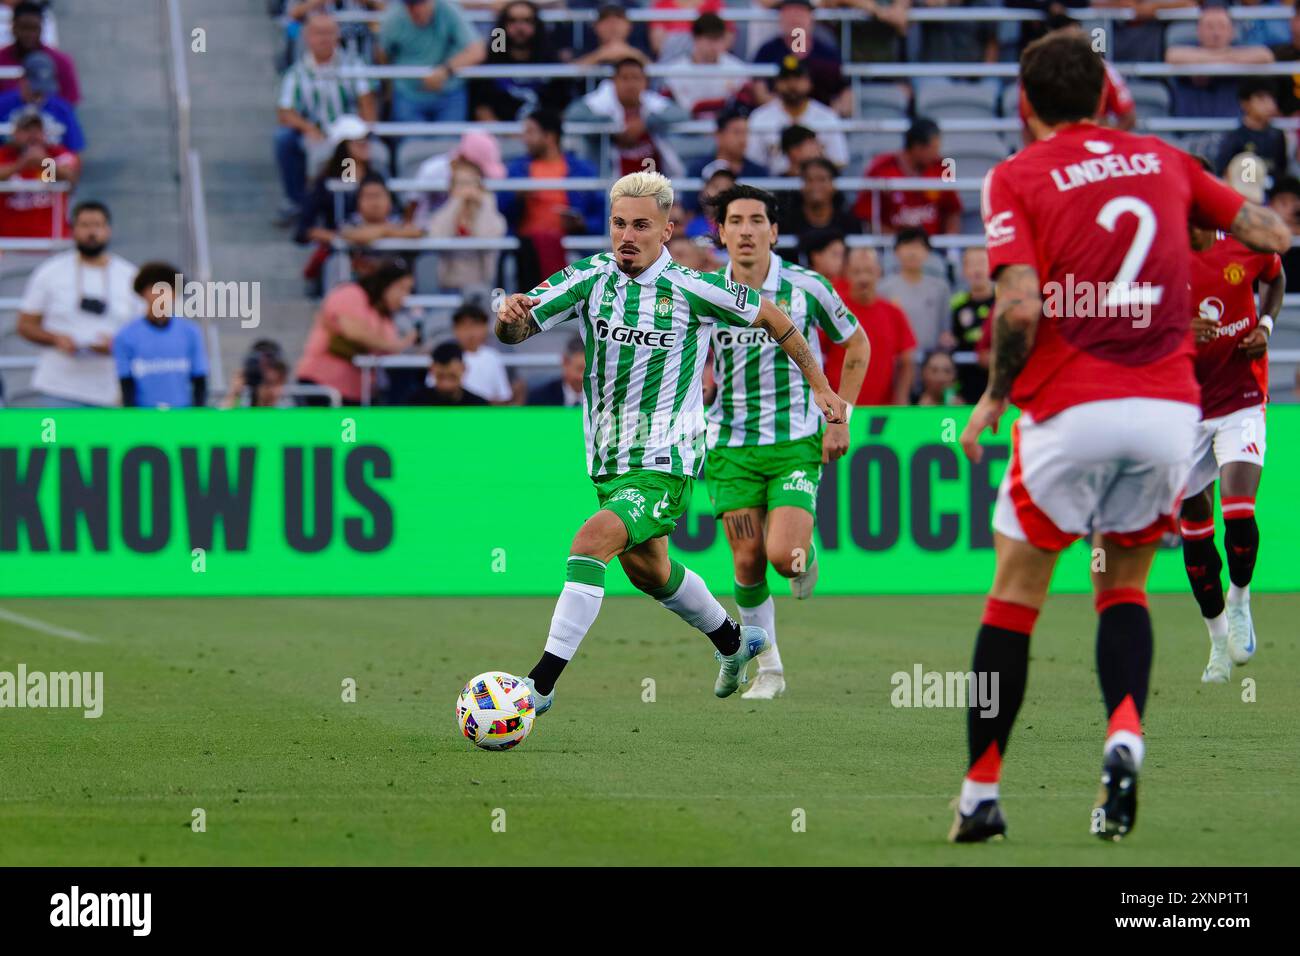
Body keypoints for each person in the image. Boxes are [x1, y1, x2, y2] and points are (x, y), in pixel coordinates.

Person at [952, 31, 1289, 844]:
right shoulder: (1164, 161)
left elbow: (1023, 306)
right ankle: (1127, 735)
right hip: (1169, 414)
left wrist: (994, 395)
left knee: (1015, 599)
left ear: (1026, 104)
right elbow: (1269, 232)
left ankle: (980, 797)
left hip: (1070, 409)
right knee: (1125, 590)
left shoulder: (1017, 174)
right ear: (1105, 97)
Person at [493, 170, 846, 715]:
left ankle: (539, 686)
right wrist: (509, 318)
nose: (626, 236)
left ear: (666, 229)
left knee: (590, 545)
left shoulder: (693, 288)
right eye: (618, 224)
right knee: (648, 570)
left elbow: (776, 319)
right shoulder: (588, 278)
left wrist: (822, 388)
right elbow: (518, 331)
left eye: (640, 225)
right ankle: (734, 642)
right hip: (608, 461)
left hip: (667, 460)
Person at [704, 183, 868, 700]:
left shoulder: (806, 287)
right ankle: (769, 670)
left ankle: (806, 555)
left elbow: (857, 343)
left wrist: (840, 417)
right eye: (736, 220)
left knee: (783, 555)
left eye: (757, 220)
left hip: (795, 441)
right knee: (746, 560)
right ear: (722, 232)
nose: (747, 230)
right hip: (730, 449)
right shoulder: (705, 291)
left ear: (774, 231)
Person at [1182, 209, 1284, 683]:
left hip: (1241, 400)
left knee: (1239, 512)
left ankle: (1240, 600)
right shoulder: (1159, 259)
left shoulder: (1244, 245)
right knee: (1195, 538)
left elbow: (1276, 277)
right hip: (1183, 411)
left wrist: (1264, 324)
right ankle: (1217, 640)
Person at [16, 201, 138, 407]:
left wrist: (117, 344)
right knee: (57, 441)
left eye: (97, 225)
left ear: (108, 230)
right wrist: (55, 339)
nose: (91, 232)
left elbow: (144, 331)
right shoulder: (50, 271)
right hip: (58, 387)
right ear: (73, 230)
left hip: (110, 389)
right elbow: (25, 325)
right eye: (84, 225)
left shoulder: (129, 276)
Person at [275, 11, 376, 220]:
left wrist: (363, 132)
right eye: (319, 33)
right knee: (286, 140)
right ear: (307, 37)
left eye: (329, 33)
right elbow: (285, 112)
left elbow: (367, 103)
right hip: (318, 134)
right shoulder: (298, 72)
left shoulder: (353, 65)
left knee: (358, 154)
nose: (324, 39)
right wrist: (308, 128)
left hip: (349, 135)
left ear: (337, 35)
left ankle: (353, 205)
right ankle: (304, 204)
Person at [498, 109, 603, 291]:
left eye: (530, 132)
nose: (525, 138)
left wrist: (581, 224)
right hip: (524, 253)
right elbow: (501, 209)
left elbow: (600, 215)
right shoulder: (517, 169)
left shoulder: (581, 169)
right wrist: (517, 196)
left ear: (549, 136)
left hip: (570, 249)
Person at [295, 258, 418, 404]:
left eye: (409, 290)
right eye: (401, 288)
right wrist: (396, 345)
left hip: (359, 393)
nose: (404, 296)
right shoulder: (351, 293)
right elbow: (353, 332)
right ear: (386, 284)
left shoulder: (385, 318)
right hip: (323, 385)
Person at [1015, 14, 1135, 145]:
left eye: (1077, 39)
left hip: (1094, 148)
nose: (1073, 47)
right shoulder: (1034, 71)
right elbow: (1028, 125)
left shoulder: (1102, 68)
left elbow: (1128, 117)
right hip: (1052, 152)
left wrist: (1104, 143)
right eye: (1068, 41)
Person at [564, 57, 689, 178]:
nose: (631, 84)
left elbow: (682, 114)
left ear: (646, 82)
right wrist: (614, 128)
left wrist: (646, 123)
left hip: (654, 189)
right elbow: (571, 115)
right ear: (614, 81)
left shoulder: (651, 102)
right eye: (625, 78)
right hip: (612, 187)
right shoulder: (601, 101)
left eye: (636, 78)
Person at [822, 247, 916, 406]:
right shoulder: (833, 310)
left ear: (879, 273)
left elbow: (907, 361)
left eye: (869, 271)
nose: (863, 278)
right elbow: (814, 354)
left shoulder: (893, 313)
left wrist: (901, 398)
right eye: (857, 272)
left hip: (883, 410)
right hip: (838, 410)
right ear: (847, 274)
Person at [113, 263, 209, 409]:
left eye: (168, 288)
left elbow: (199, 379)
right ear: (142, 292)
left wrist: (197, 417)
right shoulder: (126, 335)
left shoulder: (190, 332)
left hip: (182, 417)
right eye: (155, 288)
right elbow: (126, 384)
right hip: (144, 419)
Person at [378, 0, 486, 124]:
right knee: (411, 143)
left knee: (448, 143)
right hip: (407, 94)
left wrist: (444, 71)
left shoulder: (448, 9)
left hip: (449, 93)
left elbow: (477, 50)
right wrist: (389, 87)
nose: (416, 10)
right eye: (410, 4)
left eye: (421, 3)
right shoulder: (393, 17)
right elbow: (382, 53)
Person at [853, 117, 961, 235]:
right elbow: (867, 218)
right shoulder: (881, 168)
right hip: (889, 248)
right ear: (917, 147)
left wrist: (950, 248)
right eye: (933, 148)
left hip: (934, 249)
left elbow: (952, 211)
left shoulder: (941, 167)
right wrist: (899, 244)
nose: (937, 154)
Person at [1166, 6, 1274, 119]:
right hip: (1191, 132)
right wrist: (1226, 58)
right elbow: (1172, 56)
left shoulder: (1242, 50)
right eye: (1209, 27)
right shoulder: (1183, 51)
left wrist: (1206, 61)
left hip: (1232, 132)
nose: (1216, 33)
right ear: (1198, 31)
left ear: (1232, 32)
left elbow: (1266, 56)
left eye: (1222, 27)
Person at [746, 56, 849, 174]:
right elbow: (753, 163)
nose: (792, 84)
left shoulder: (827, 117)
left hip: (816, 186)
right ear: (776, 83)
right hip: (773, 186)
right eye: (786, 78)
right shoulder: (760, 117)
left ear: (809, 82)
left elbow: (839, 162)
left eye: (798, 78)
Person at [470, 1, 569, 121]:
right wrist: (504, 135)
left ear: (536, 25)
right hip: (500, 136)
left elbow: (561, 108)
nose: (520, 27)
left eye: (527, 20)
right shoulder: (490, 63)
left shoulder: (551, 63)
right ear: (503, 25)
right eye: (512, 21)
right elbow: (482, 109)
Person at [424, 158, 507, 292]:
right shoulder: (442, 213)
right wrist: (455, 203)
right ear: (451, 188)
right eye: (460, 184)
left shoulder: (493, 216)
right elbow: (437, 238)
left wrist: (485, 204)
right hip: (448, 286)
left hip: (482, 287)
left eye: (471, 183)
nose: (466, 189)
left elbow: (485, 239)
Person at [752, 0, 849, 114]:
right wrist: (788, 113)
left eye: (800, 12)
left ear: (811, 18)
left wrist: (828, 116)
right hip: (778, 121)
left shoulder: (827, 53)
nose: (794, 18)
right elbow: (759, 91)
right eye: (789, 13)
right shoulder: (767, 51)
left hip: (820, 123)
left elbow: (846, 92)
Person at [0, 108, 77, 237]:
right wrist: (21, 164)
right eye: (26, 130)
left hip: (52, 242)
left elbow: (71, 176)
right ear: (15, 133)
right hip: (9, 244)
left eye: (37, 130)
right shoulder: (4, 155)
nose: (32, 135)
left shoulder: (58, 153)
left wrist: (44, 162)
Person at [878, 227, 951, 354]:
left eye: (917, 246)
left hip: (930, 360)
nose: (912, 252)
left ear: (928, 252)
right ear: (896, 251)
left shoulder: (941, 288)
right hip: (896, 358)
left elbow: (945, 330)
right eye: (907, 246)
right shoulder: (883, 288)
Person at [660, 12, 746, 119]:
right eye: (710, 39)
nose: (715, 46)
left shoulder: (737, 69)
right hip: (687, 130)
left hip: (725, 129)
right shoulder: (675, 71)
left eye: (719, 39)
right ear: (696, 38)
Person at [0, 51, 83, 151]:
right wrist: (20, 162)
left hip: (50, 163)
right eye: (35, 88)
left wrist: (46, 156)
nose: (39, 93)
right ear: (22, 79)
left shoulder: (61, 108)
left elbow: (75, 153)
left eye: (43, 89)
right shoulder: (3, 104)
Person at [0, 2, 78, 105]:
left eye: (34, 28)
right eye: (23, 27)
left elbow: (69, 105)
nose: (28, 34)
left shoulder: (61, 62)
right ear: (13, 27)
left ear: (42, 28)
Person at [1213, 79, 1287, 186]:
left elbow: (1281, 170)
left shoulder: (1278, 136)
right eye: (1261, 99)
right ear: (1245, 103)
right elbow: (1223, 172)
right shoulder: (1234, 137)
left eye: (1271, 98)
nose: (1269, 105)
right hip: (1243, 192)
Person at [949, 245, 994, 402]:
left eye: (982, 262)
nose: (977, 269)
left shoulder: (1003, 301)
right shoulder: (956, 304)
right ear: (964, 270)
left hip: (997, 382)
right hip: (966, 384)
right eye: (971, 264)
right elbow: (951, 339)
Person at [780, 157, 860, 237]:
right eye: (809, 180)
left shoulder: (849, 223)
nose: (815, 186)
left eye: (822, 179)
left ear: (833, 185)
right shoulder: (787, 223)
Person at [450, 303, 513, 404]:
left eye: (475, 325)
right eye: (463, 326)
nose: (469, 332)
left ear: (485, 328)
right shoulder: (447, 355)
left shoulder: (493, 357)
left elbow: (503, 397)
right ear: (455, 329)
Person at [411, 341, 489, 405]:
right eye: (441, 376)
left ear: (464, 369)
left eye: (452, 376)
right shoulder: (416, 403)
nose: (446, 385)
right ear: (431, 370)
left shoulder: (479, 406)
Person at [571, 4, 650, 67]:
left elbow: (654, 71)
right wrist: (600, 55)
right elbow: (570, 71)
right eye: (606, 20)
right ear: (595, 26)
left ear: (629, 26)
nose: (612, 25)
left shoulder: (643, 46)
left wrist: (630, 54)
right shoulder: (584, 48)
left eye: (618, 19)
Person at [528, 334, 584, 406]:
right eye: (579, 369)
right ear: (565, 362)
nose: (583, 376)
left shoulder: (602, 399)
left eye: (590, 372)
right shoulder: (539, 398)